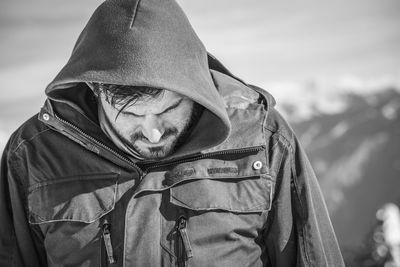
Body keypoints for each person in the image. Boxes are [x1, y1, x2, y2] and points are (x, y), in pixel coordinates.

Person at [0, 0, 344, 266]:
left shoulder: (262, 141)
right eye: (131, 115)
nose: (152, 132)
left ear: (194, 87)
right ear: (94, 90)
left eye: (167, 110)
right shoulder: (33, 155)